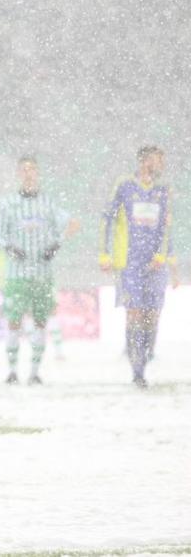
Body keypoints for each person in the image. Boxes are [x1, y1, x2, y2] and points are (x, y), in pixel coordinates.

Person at [100, 145, 173, 388]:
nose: (161, 164)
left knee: (152, 316)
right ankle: (137, 370)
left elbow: (165, 226)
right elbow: (106, 218)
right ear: (145, 161)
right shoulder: (124, 185)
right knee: (135, 313)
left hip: (155, 264)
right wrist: (104, 252)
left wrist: (163, 256)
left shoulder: (162, 190)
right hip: (129, 262)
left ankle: (145, 354)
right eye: (157, 159)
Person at [0, 156, 73, 385]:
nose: (29, 173)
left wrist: (55, 245)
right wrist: (9, 247)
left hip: (42, 273)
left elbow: (64, 227)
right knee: (14, 321)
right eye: (25, 169)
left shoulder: (48, 203)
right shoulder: (8, 203)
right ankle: (12, 371)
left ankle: (34, 372)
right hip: (17, 275)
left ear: (38, 174)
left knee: (41, 322)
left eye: (33, 169)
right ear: (19, 173)